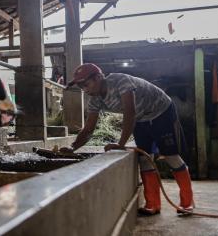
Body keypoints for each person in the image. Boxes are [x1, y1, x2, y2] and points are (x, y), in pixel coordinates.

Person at [60, 63, 194, 216]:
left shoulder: (119, 81)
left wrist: (120, 144)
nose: (85, 89)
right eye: (81, 86)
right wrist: (73, 147)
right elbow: (89, 129)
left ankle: (187, 203)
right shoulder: (95, 100)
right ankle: (153, 204)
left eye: (86, 84)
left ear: (98, 77)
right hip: (141, 119)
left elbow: (129, 112)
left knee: (171, 157)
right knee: (144, 158)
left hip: (161, 112)